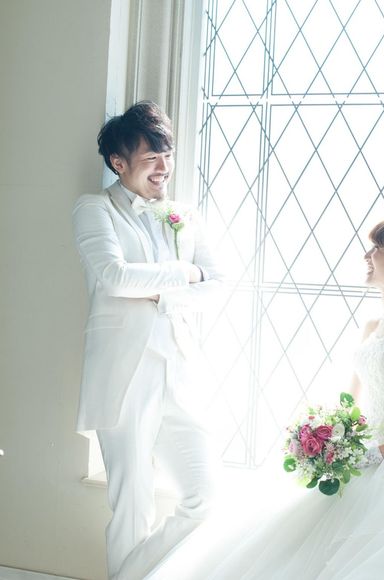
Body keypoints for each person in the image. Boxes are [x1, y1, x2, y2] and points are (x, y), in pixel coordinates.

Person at [153, 215, 384, 579]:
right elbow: (350, 405)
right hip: (359, 457)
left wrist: (378, 454)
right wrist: (324, 437)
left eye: (377, 249)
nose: (367, 256)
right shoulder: (372, 325)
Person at [72, 101, 224, 580]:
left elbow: (219, 285)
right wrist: (183, 273)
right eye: (151, 156)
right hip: (124, 375)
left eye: (168, 154)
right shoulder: (94, 208)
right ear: (118, 162)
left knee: (205, 495)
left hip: (180, 369)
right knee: (132, 504)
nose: (164, 166)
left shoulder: (184, 215)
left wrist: (160, 292)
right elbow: (115, 278)